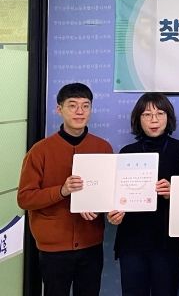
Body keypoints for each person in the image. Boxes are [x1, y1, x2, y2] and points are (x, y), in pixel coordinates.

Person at [17, 82, 113, 296]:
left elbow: (108, 192)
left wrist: (101, 207)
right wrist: (61, 190)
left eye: (85, 106)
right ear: (59, 109)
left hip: (90, 244)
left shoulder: (103, 147)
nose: (80, 111)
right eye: (72, 105)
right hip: (53, 247)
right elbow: (24, 198)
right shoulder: (39, 151)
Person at [107, 93, 179, 296]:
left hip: (167, 243)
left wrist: (175, 192)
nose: (154, 120)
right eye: (147, 114)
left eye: (160, 113)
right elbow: (116, 196)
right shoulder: (127, 152)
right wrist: (114, 214)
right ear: (138, 119)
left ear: (168, 117)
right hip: (132, 241)